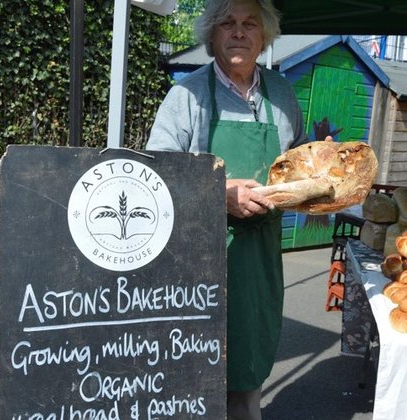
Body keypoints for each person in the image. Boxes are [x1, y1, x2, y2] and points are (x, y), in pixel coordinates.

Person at [146, 0, 307, 418]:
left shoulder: (282, 93)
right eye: (227, 24)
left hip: (260, 262)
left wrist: (318, 181)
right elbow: (155, 177)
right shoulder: (186, 97)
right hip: (197, 262)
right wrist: (218, 193)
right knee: (194, 375)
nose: (238, 32)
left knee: (248, 372)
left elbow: (299, 162)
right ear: (211, 35)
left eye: (249, 24)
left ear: (264, 36)